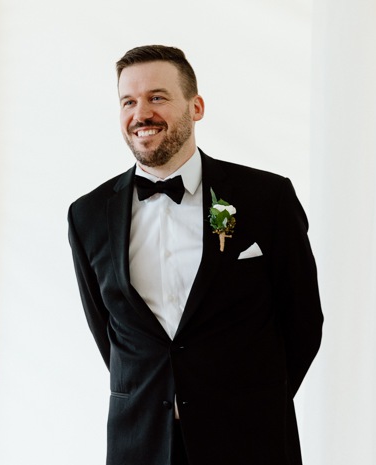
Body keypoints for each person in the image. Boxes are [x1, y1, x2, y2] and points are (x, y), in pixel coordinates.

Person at [68, 45, 323, 465]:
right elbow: (110, 334)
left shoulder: (266, 198)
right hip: (140, 442)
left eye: (157, 97)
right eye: (128, 101)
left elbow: (303, 321)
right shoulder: (88, 215)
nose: (141, 113)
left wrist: (252, 401)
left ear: (196, 106)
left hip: (251, 440)